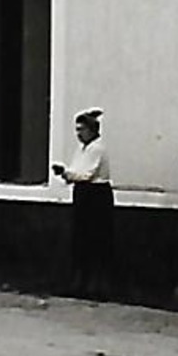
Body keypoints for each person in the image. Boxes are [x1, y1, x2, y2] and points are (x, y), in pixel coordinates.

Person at [53, 108, 113, 298]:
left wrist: (66, 173)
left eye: (82, 130)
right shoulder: (82, 149)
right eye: (77, 130)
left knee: (95, 239)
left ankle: (96, 286)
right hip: (83, 193)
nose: (79, 134)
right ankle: (81, 283)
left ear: (92, 130)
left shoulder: (97, 148)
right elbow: (77, 171)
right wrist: (68, 173)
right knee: (81, 239)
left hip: (96, 195)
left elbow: (87, 174)